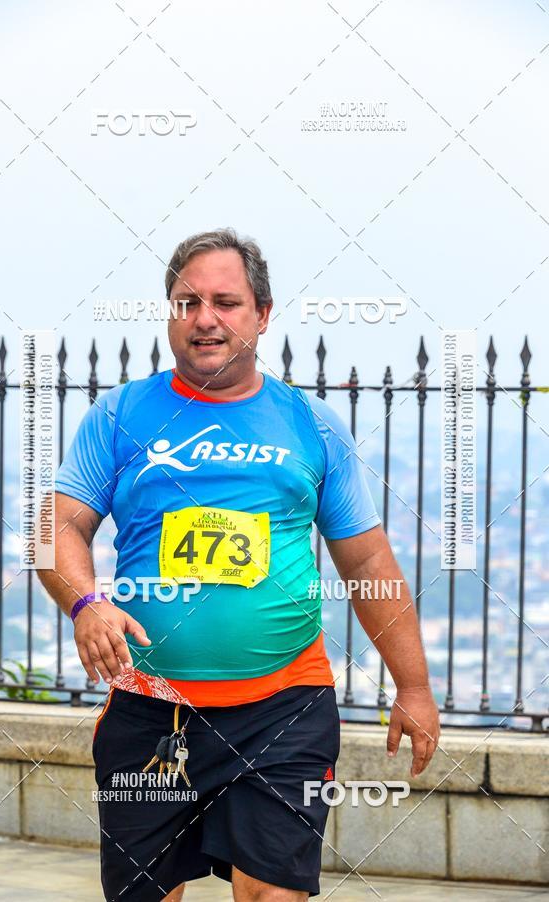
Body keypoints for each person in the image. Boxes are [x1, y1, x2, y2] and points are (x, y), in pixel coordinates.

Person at [38, 228, 440, 902]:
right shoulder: (119, 414)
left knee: (272, 894)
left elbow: (368, 558)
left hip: (284, 709)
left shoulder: (310, 423)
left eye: (225, 303)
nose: (205, 319)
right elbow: (58, 529)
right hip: (151, 713)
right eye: (187, 302)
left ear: (262, 314)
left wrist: (415, 686)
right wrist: (86, 603)